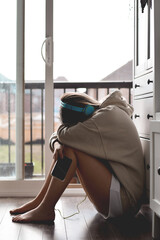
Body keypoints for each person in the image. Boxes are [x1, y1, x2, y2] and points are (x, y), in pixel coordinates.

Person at [10, 90, 145, 223]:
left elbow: (62, 134)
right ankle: (40, 203)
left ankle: (45, 208)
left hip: (126, 202)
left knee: (69, 149)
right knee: (65, 147)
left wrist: (59, 142)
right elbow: (60, 135)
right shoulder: (106, 113)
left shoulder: (101, 120)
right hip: (123, 197)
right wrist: (57, 144)